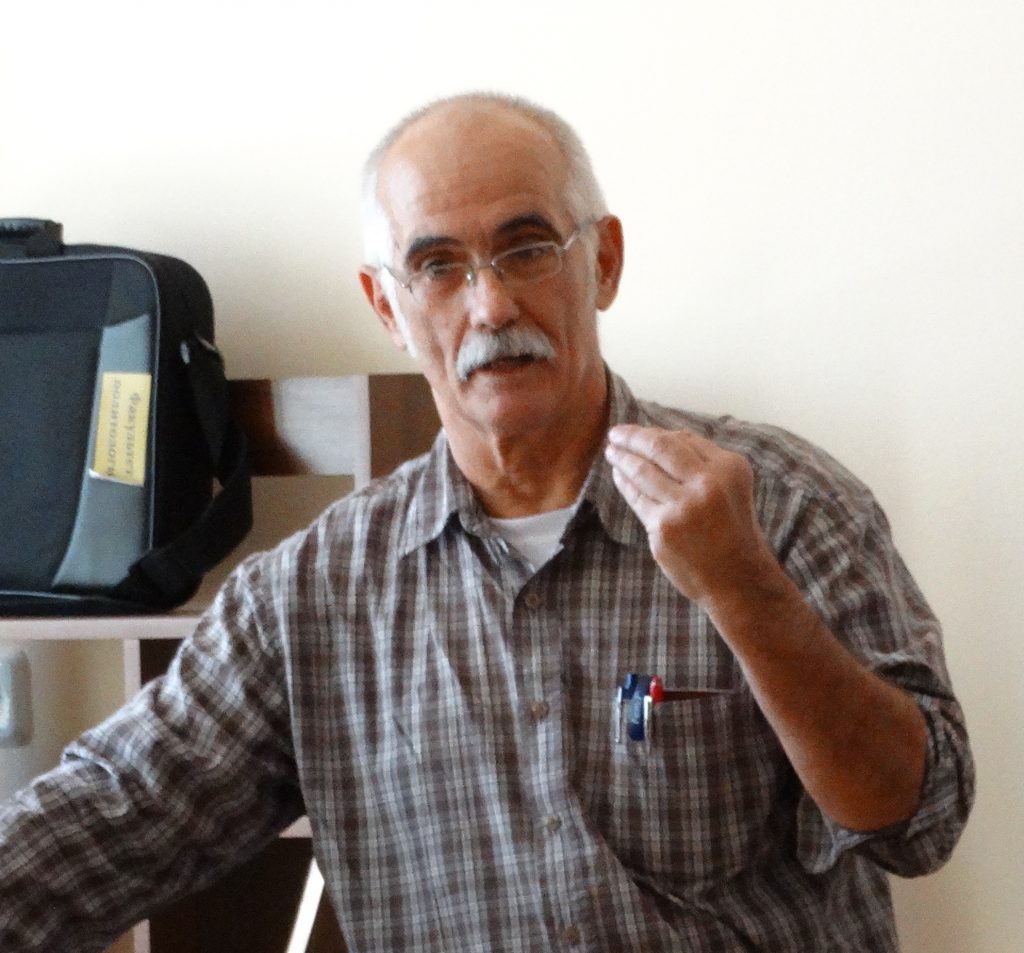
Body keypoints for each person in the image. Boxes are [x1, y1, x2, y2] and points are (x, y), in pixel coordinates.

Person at [0, 92, 973, 952]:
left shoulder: (783, 502)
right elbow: (111, 815)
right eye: (436, 265)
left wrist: (744, 588)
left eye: (527, 247)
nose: (492, 302)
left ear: (604, 261)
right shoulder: (308, 598)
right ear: (387, 305)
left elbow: (919, 818)